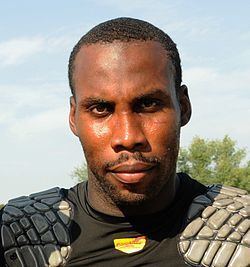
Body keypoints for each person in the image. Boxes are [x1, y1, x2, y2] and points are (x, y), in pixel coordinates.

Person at [0, 17, 249, 267]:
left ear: (183, 107)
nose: (128, 138)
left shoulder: (242, 234)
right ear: (73, 118)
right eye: (100, 109)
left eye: (149, 104)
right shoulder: (16, 240)